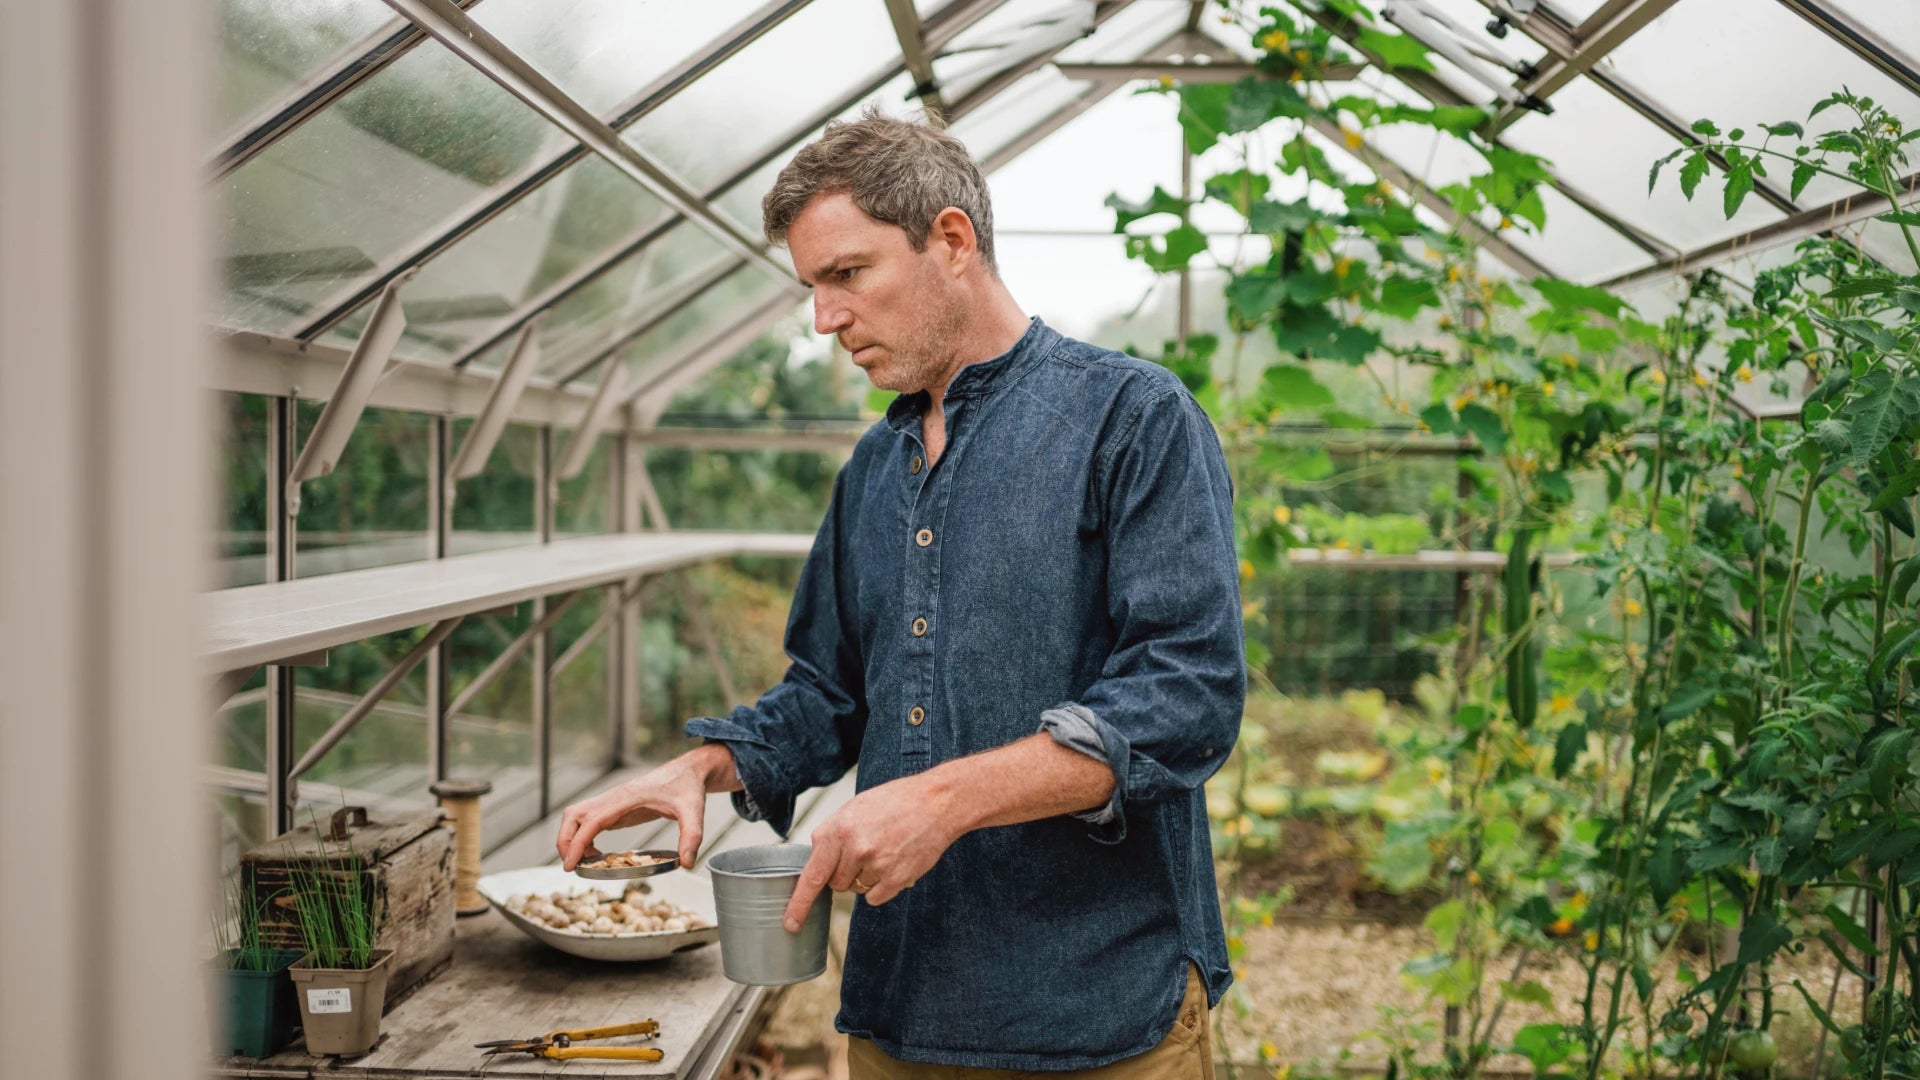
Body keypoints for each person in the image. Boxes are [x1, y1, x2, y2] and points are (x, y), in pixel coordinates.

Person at [556, 109, 1244, 1079]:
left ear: (951, 241)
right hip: (899, 1013)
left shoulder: (1131, 419)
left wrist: (943, 801)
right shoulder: (874, 470)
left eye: (848, 273)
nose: (824, 318)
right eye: (812, 287)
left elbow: (1186, 695)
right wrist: (705, 768)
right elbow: (828, 697)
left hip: (1095, 1012)